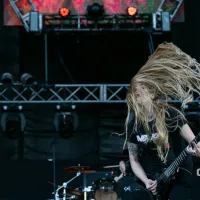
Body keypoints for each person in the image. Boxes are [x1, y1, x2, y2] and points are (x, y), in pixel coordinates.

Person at [119, 42, 200, 200]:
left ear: (150, 93)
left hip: (179, 173)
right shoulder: (133, 124)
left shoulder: (171, 114)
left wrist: (196, 152)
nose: (136, 98)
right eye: (134, 94)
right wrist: (146, 181)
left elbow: (195, 143)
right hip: (153, 177)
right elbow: (133, 160)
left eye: (139, 93)